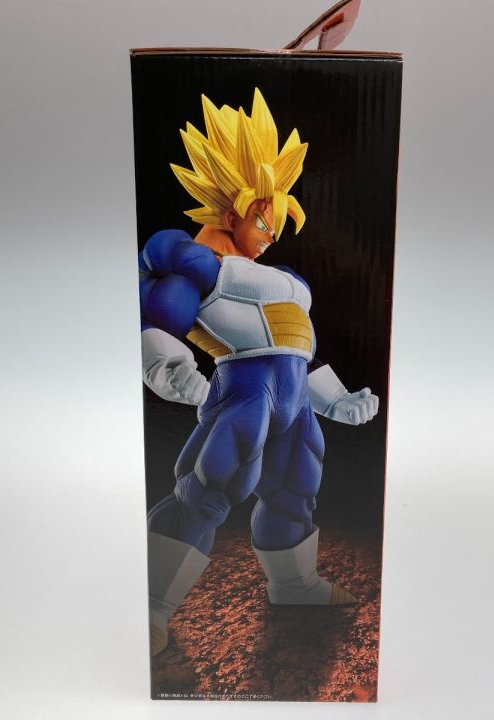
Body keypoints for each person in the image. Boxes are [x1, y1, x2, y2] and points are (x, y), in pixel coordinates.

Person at [139, 89, 378, 656]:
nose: (271, 232)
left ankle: (293, 585)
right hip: (243, 394)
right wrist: (168, 367)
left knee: (296, 488)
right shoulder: (195, 260)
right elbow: (159, 310)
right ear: (233, 208)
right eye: (264, 217)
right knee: (209, 486)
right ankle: (150, 606)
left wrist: (336, 399)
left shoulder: (288, 281)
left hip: (293, 401)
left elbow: (298, 348)